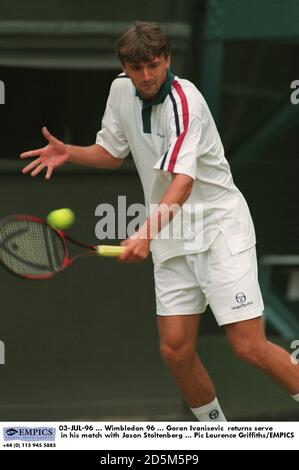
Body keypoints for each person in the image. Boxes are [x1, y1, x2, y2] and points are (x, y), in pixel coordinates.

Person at [20, 21, 299, 421]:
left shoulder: (188, 104)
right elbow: (112, 152)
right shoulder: (120, 91)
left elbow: (182, 183)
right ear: (124, 67)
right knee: (175, 349)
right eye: (137, 68)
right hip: (172, 236)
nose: (146, 75)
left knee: (248, 346)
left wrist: (144, 234)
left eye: (154, 65)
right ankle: (215, 436)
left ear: (167, 59)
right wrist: (71, 152)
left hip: (219, 230)